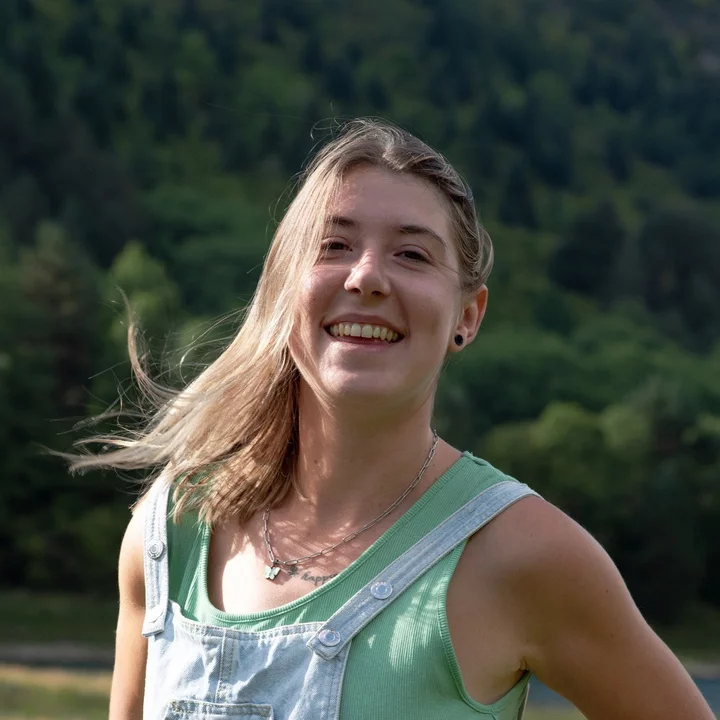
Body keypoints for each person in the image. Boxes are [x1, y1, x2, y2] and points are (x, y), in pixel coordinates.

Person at [72, 119, 714, 720]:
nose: (367, 277)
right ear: (282, 288)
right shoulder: (172, 528)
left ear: (468, 316)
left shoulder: (524, 554)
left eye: (412, 255)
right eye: (334, 245)